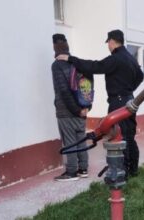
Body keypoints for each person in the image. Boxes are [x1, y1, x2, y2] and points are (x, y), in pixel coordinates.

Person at [56, 29, 144, 177]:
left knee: (120, 137)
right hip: (130, 100)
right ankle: (133, 169)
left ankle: (124, 172)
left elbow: (94, 66)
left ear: (112, 41)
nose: (108, 46)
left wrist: (71, 59)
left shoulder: (115, 59)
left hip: (118, 102)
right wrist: (129, 89)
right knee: (129, 135)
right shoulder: (130, 58)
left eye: (108, 43)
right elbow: (140, 76)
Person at [51, 34, 90, 181]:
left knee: (70, 141)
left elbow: (64, 91)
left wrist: (76, 110)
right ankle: (83, 168)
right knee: (81, 139)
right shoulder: (76, 62)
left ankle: (72, 172)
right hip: (82, 109)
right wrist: (86, 108)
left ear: (54, 46)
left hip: (66, 112)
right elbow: (88, 86)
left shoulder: (57, 65)